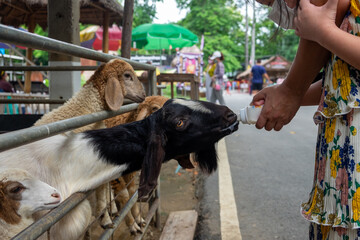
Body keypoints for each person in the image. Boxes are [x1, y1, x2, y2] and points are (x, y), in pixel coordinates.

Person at [253, 0, 360, 238]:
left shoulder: (326, 23)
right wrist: (288, 94)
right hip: (339, 158)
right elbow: (346, 80)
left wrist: (325, 33)